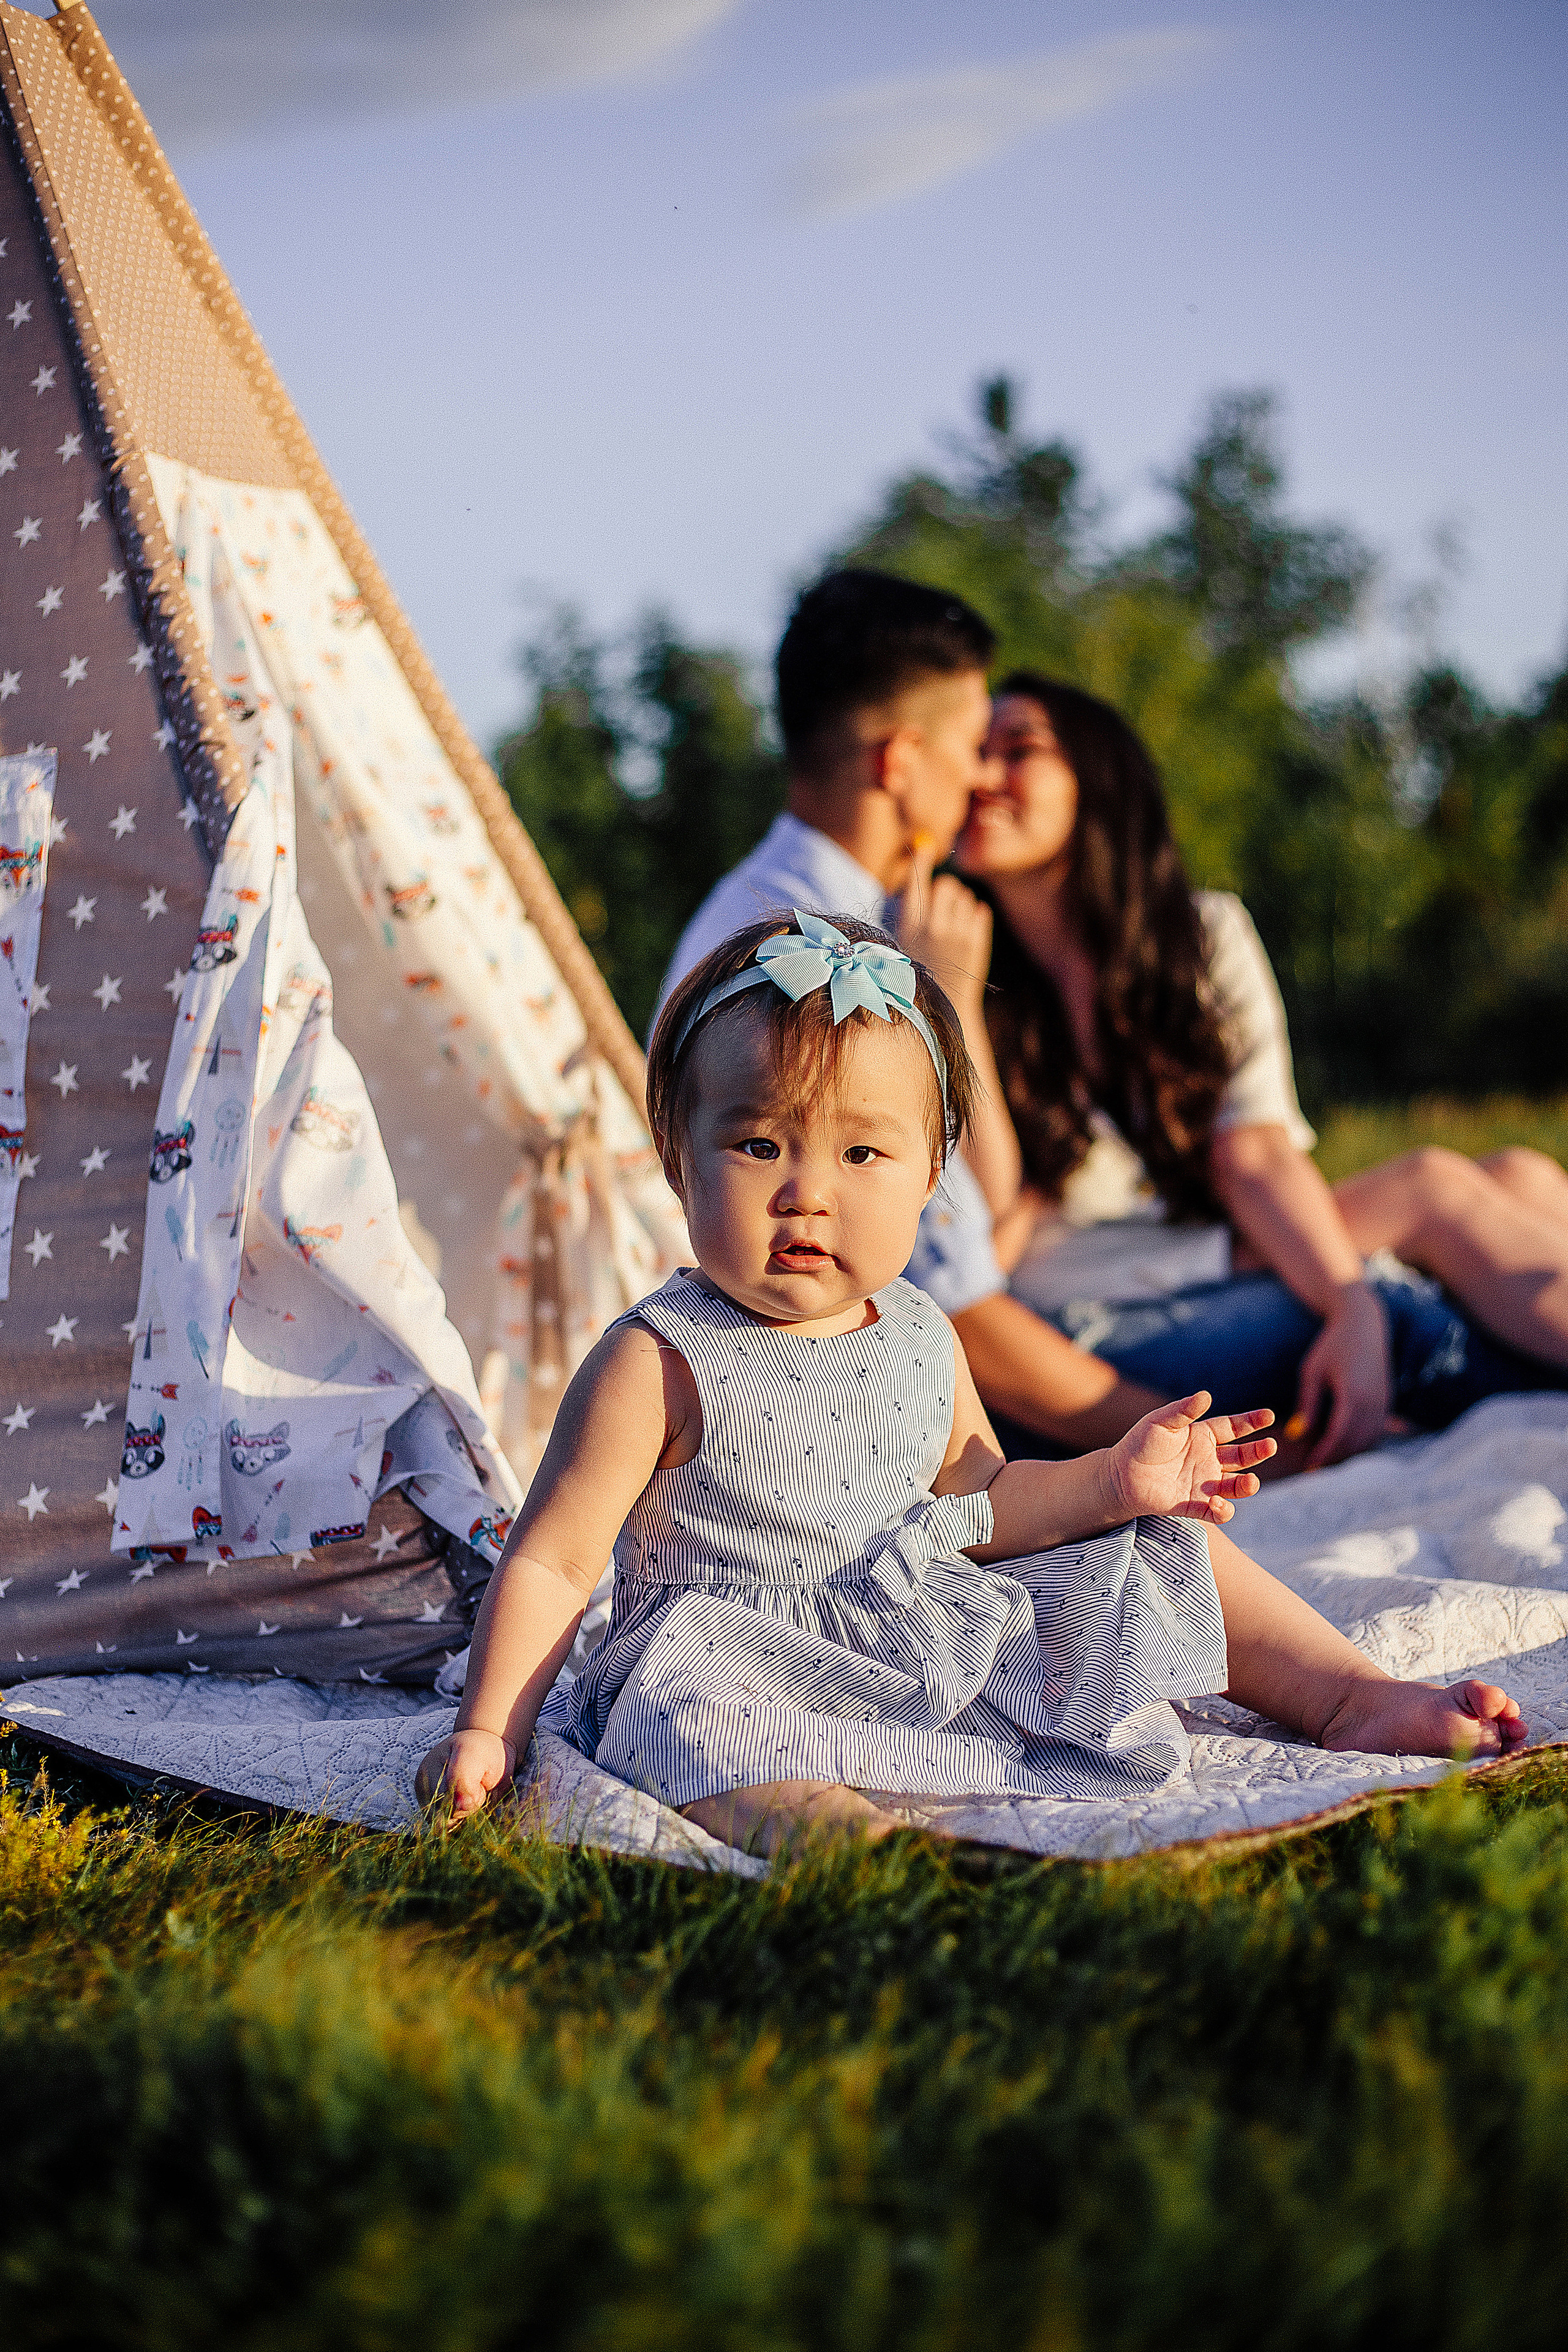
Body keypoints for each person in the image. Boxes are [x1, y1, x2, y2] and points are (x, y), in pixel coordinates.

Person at [417, 914, 1523, 1852]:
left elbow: (981, 1501)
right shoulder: (656, 1361)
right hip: (736, 1646)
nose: (808, 1193)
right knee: (684, 1718)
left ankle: (1345, 1694)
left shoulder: (918, 1331)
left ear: (933, 1173)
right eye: (758, 1146)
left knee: (1155, 1550)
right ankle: (836, 1838)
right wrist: (492, 1730)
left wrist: (1106, 1484)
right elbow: (557, 1561)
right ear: (676, 1153)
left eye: (861, 1156)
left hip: (917, 1615)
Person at [951, 673, 1568, 1468]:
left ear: (1099, 784)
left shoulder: (1200, 934)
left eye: (1018, 751)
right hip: (1084, 1296)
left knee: (1520, 1174)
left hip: (1199, 1244)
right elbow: (979, 1216)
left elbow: (1254, 1153)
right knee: (1432, 1190)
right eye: (974, 754)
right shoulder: (954, 959)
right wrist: (1352, 1303)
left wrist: (1349, 1304)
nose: (981, 776)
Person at [660, 569, 1163, 1449]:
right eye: (971, 743)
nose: (979, 776)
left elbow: (978, 1201)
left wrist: (954, 1000)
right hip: (844, 1414)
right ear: (898, 761)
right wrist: (1163, 1443)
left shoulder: (812, 913)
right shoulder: (809, 962)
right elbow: (952, 1301)